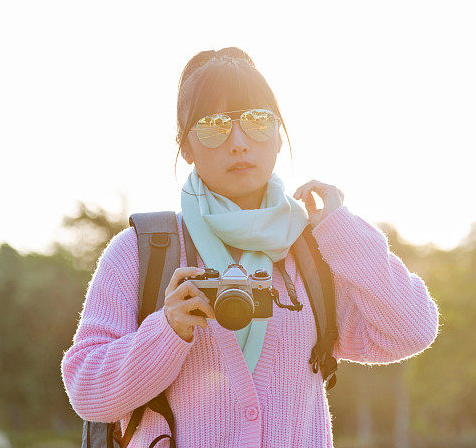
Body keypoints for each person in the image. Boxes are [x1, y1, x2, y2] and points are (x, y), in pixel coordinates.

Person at [60, 47, 440, 448]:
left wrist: (340, 228)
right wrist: (167, 330)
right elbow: (87, 392)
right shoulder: (144, 251)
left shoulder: (314, 251)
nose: (239, 142)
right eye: (213, 126)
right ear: (185, 146)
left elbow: (411, 329)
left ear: (278, 136)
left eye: (258, 121)